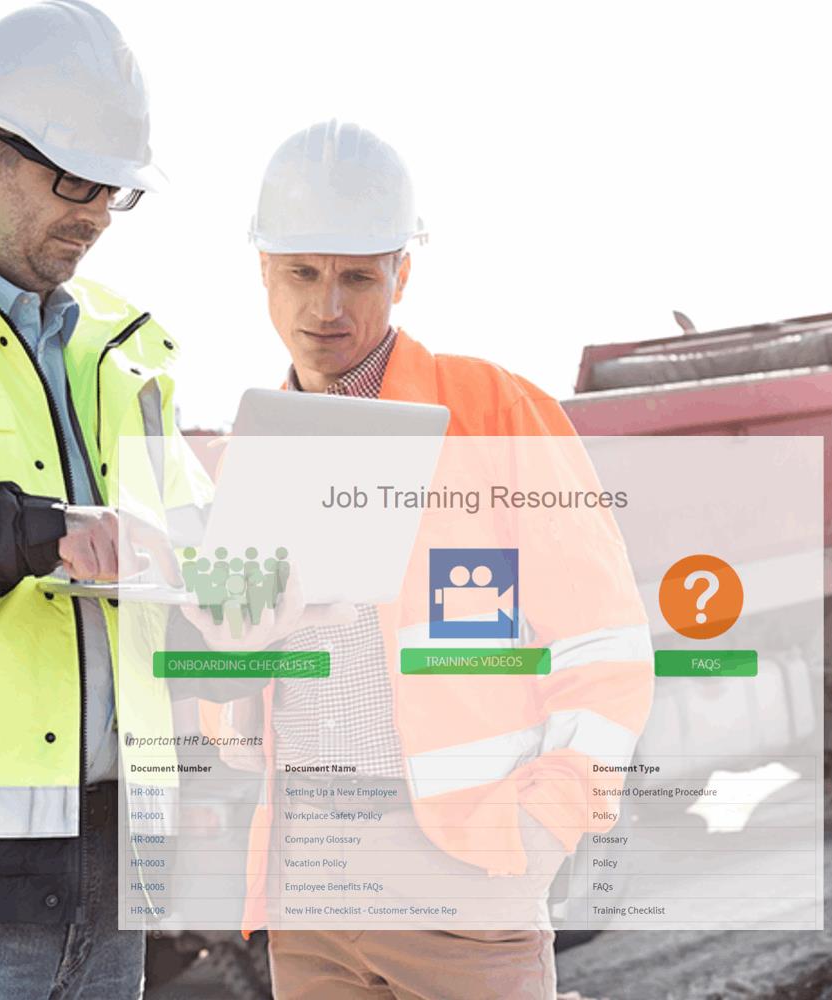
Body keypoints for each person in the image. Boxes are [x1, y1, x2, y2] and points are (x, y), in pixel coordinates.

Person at [236, 119, 655, 999]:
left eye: (357, 276)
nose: (327, 308)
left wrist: (545, 825)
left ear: (403, 273)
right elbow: (248, 686)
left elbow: (605, 643)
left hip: (465, 888)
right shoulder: (262, 450)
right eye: (302, 274)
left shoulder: (494, 409)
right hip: (310, 903)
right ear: (262, 272)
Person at [0, 3, 209, 998]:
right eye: (75, 180)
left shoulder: (131, 341)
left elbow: (185, 534)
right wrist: (46, 534)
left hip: (115, 861)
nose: (97, 212)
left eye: (116, 190)